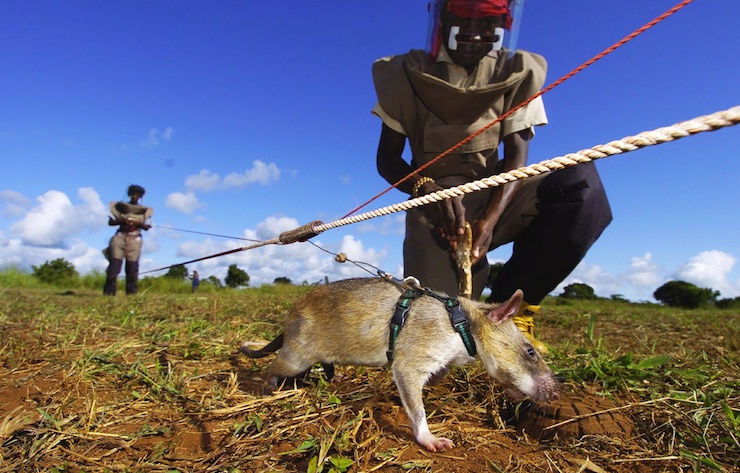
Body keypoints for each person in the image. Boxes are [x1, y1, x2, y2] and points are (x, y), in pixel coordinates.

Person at [372, 0, 612, 352]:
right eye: (463, 22)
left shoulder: (517, 71)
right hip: (434, 209)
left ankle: (512, 311)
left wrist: (489, 220)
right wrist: (428, 189)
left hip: (498, 197)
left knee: (579, 186)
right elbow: (387, 159)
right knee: (439, 335)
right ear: (442, 20)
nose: (475, 34)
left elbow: (517, 156)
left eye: (488, 24)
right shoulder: (405, 72)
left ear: (504, 25)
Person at [103, 184, 153, 295]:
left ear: (140, 197)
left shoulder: (144, 212)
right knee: (114, 266)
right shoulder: (120, 208)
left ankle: (131, 293)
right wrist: (123, 221)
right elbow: (110, 222)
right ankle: (109, 292)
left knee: (132, 267)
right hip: (120, 237)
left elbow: (148, 227)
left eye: (138, 195)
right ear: (129, 195)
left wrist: (139, 224)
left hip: (135, 239)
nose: (135, 196)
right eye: (133, 194)